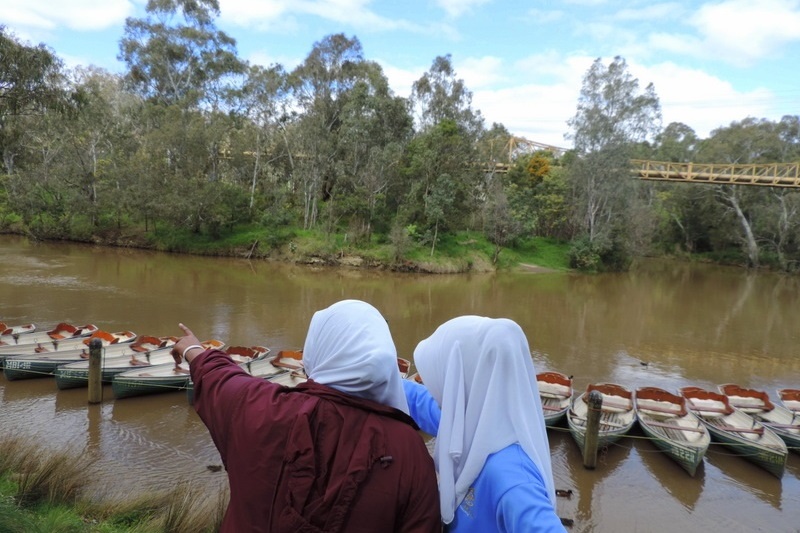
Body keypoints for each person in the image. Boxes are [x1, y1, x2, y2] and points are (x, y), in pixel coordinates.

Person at [172, 299, 441, 533]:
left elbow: (220, 378)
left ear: (316, 349)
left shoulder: (260, 407)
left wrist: (191, 349)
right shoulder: (410, 451)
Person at [402, 316, 566, 532]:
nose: (437, 392)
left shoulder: (512, 479)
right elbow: (422, 402)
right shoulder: (472, 426)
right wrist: (378, 376)